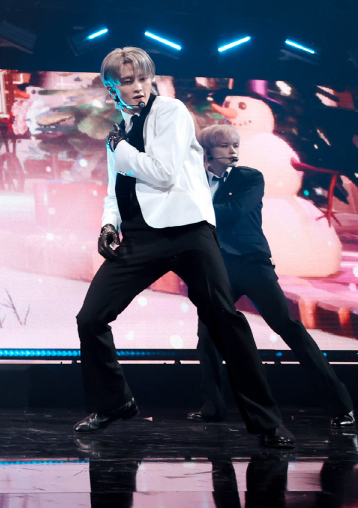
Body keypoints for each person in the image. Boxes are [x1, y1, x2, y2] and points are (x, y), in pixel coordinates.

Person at [73, 46, 293, 448]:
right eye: (127, 81)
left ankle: (267, 423)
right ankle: (114, 402)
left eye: (143, 78)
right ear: (111, 87)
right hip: (141, 237)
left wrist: (120, 149)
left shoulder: (170, 112)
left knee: (224, 321)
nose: (138, 87)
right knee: (90, 318)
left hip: (189, 232)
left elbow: (163, 173)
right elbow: (115, 188)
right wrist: (108, 223)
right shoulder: (119, 132)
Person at [189, 123, 354, 428]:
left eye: (235, 145)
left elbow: (234, 210)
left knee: (289, 328)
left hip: (253, 265)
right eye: (225, 146)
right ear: (207, 152)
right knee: (208, 335)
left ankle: (340, 407)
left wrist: (192, 207)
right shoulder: (194, 181)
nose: (233, 150)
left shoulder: (249, 177)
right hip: (219, 267)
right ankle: (213, 406)